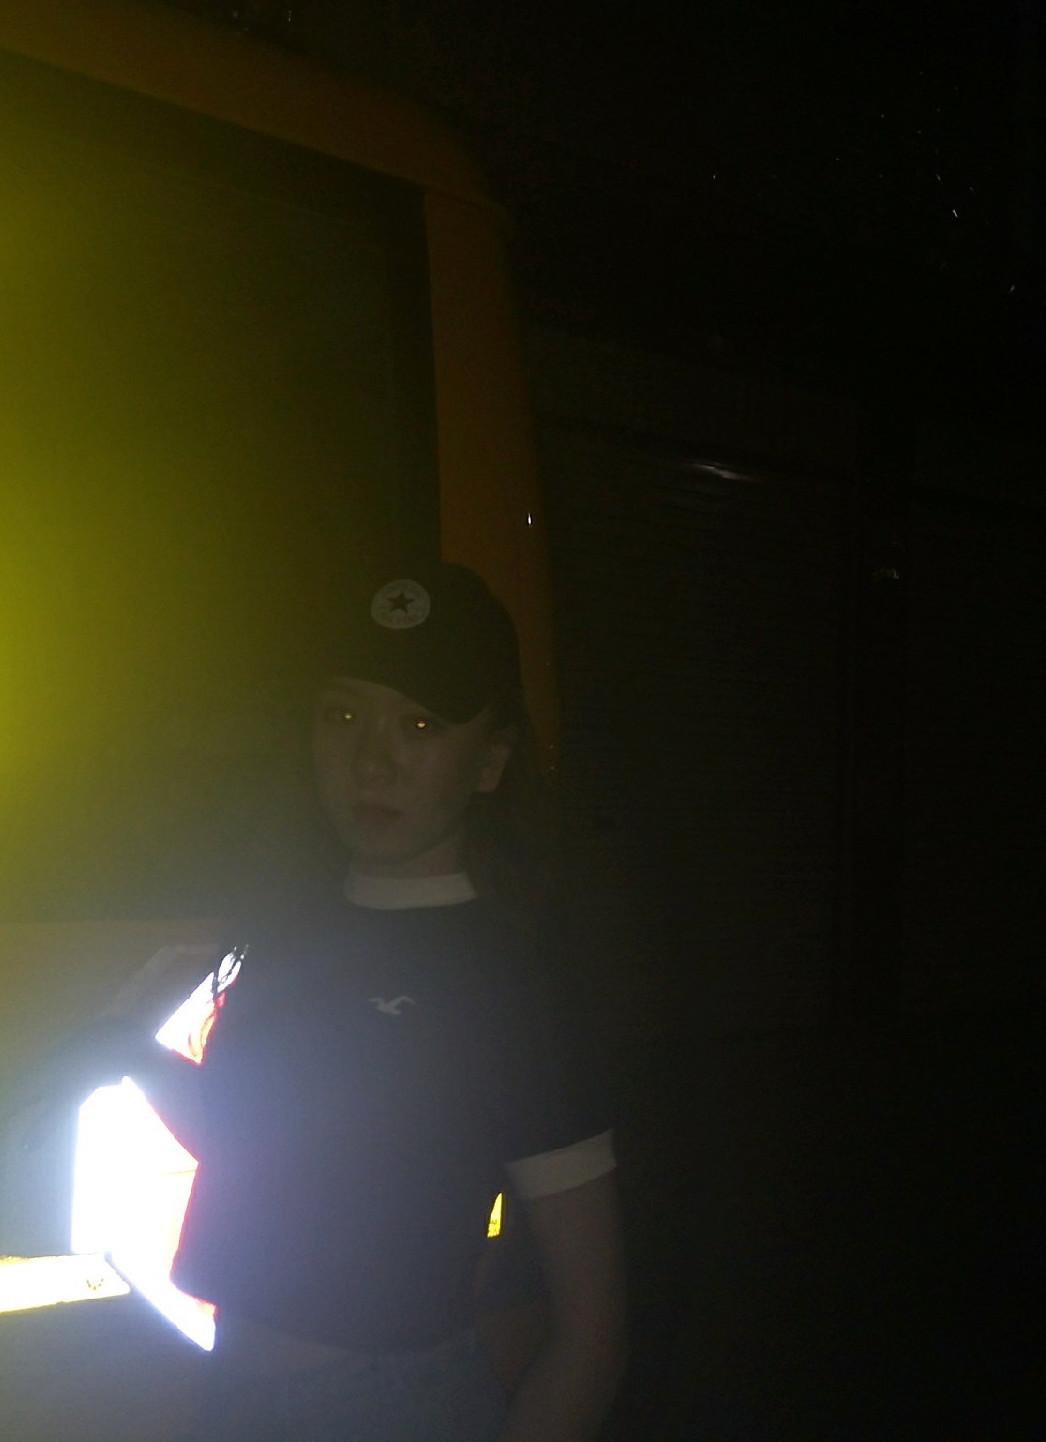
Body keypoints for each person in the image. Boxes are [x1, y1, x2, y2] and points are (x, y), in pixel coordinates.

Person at [110, 562, 627, 1441]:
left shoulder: (512, 984)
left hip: (390, 1402)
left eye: (420, 724)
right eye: (344, 716)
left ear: (490, 760)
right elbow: (259, 1145)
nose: (372, 762)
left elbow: (592, 1333)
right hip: (228, 1390)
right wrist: (125, 1047)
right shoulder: (286, 929)